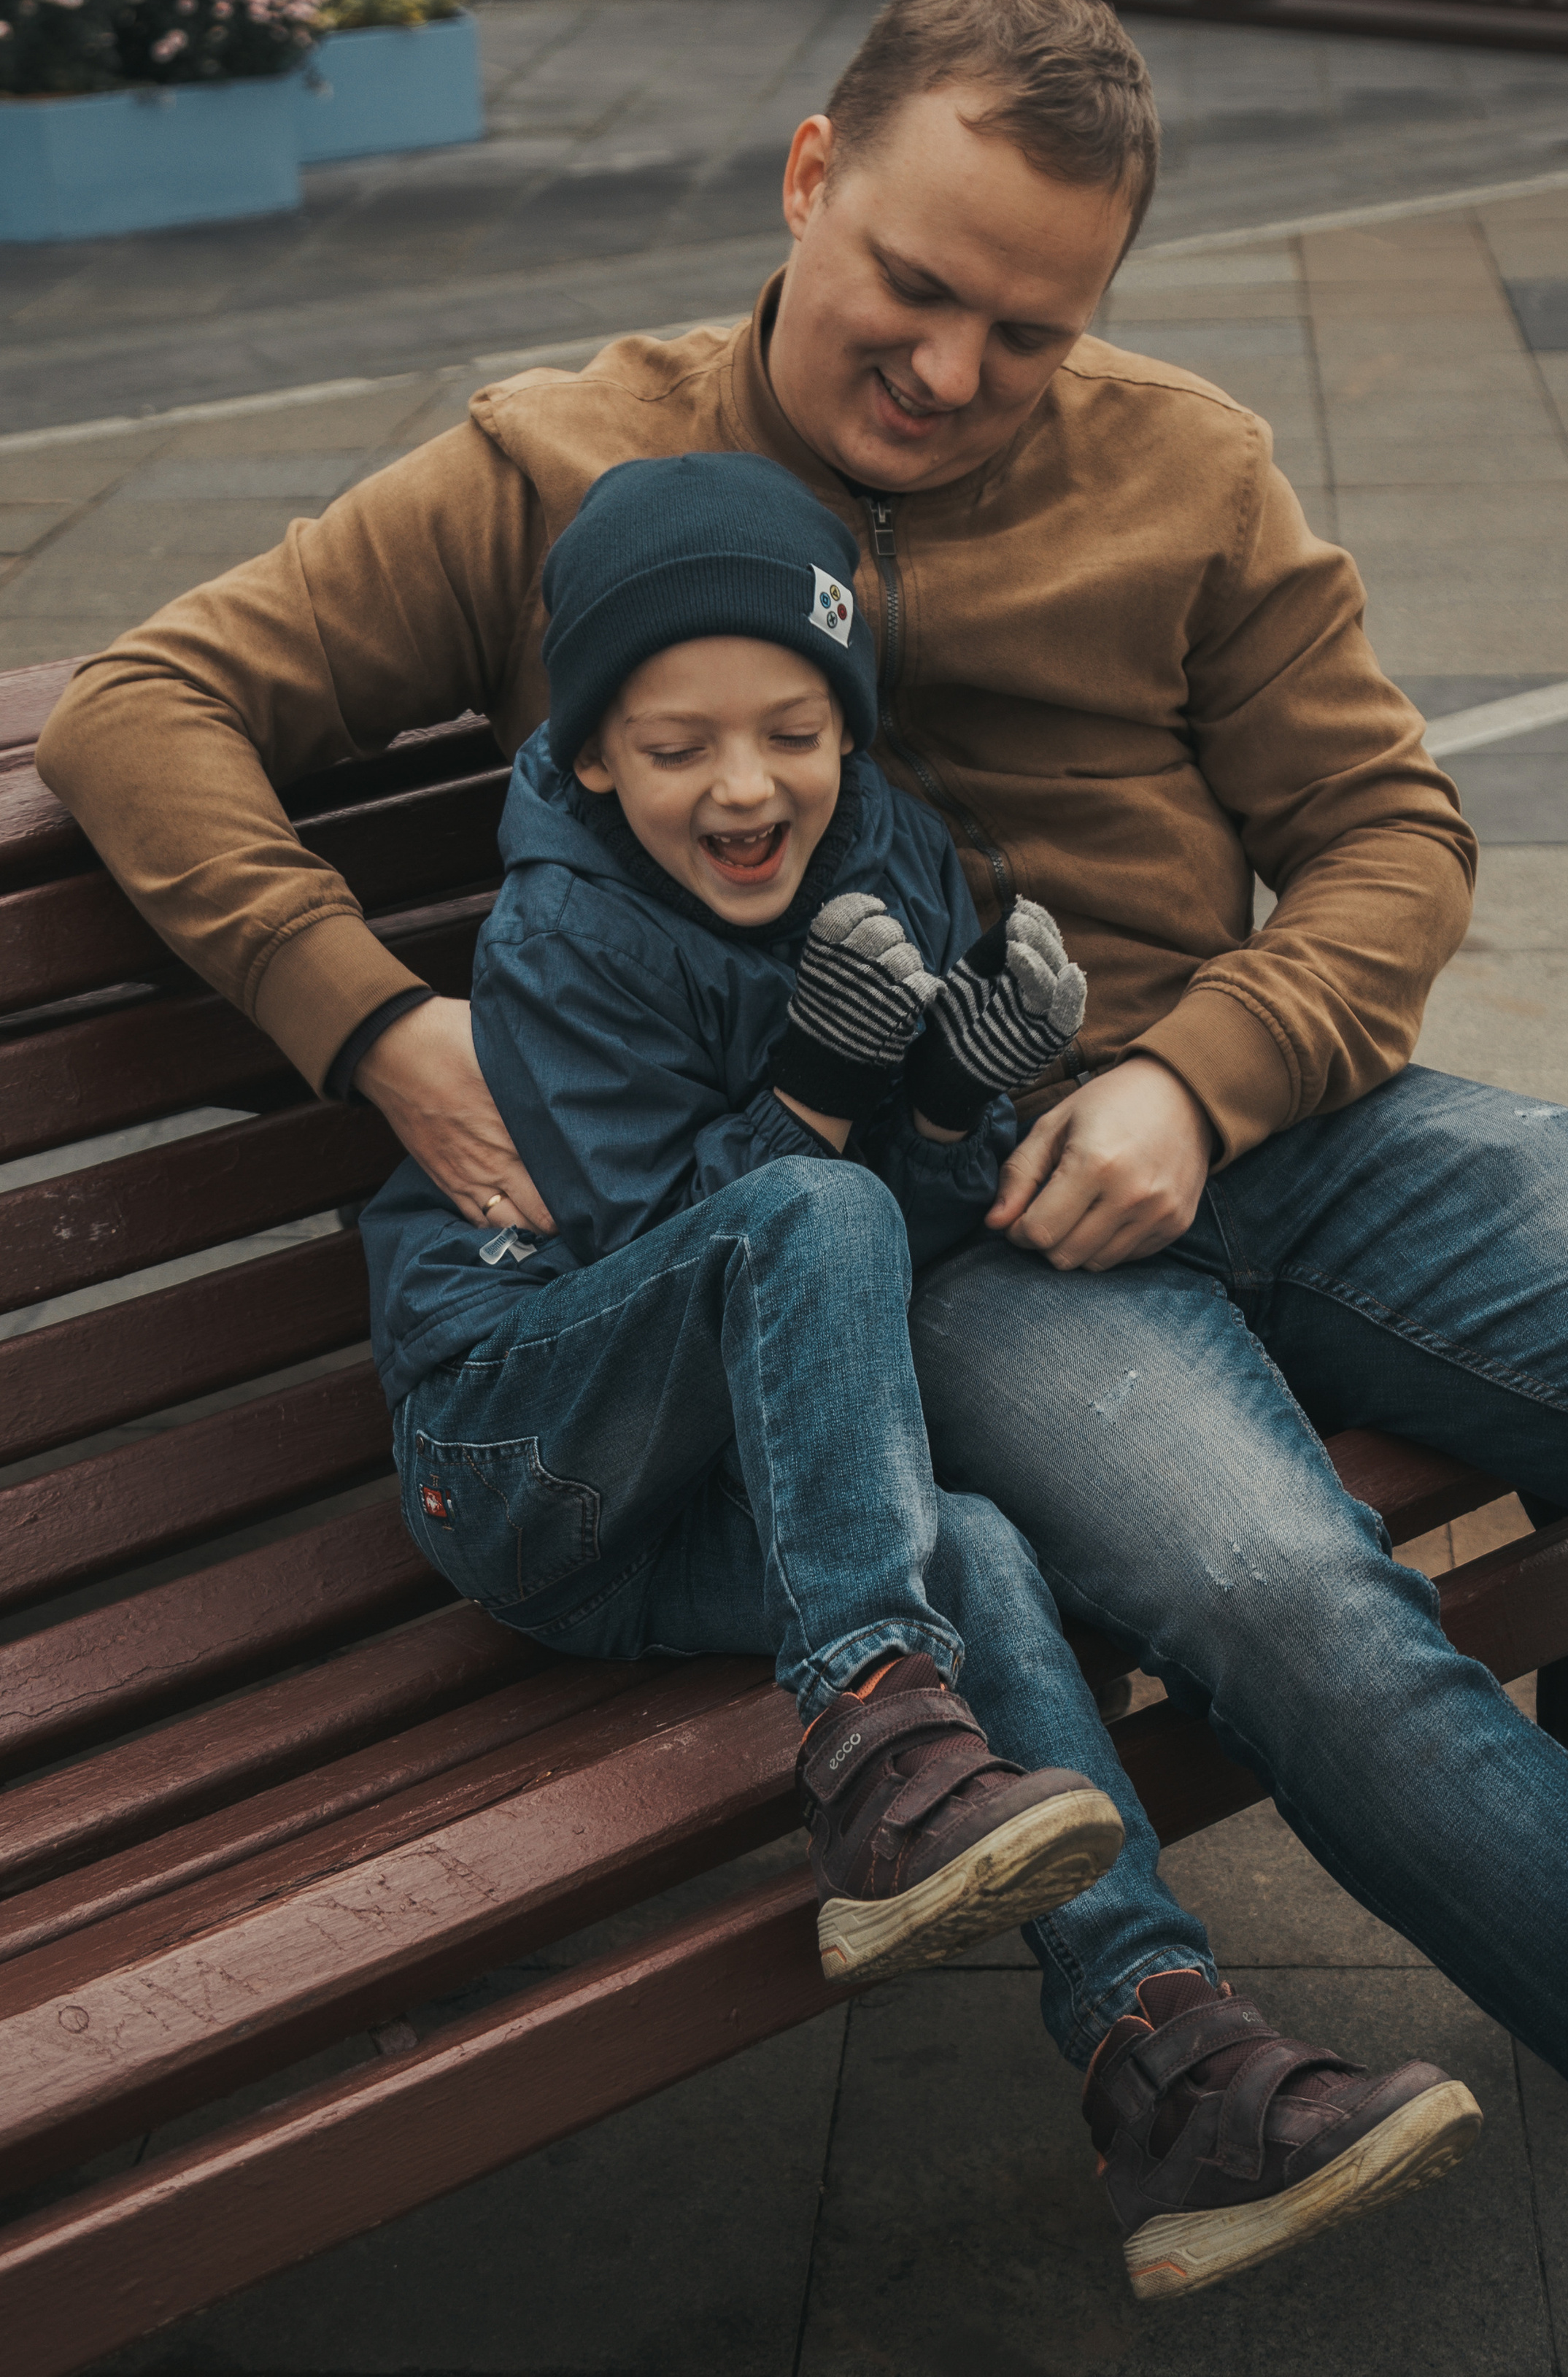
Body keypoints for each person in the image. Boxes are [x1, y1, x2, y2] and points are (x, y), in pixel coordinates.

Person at [34, 0, 1568, 2366]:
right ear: (809, 177)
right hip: (962, 1235)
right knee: (1295, 1604)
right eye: (913, 284)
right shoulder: (559, 467)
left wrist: (1201, 1076)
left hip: (1276, 1124)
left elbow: (1388, 833)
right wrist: (369, 1020)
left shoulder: (1185, 466)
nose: (953, 370)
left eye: (1031, 330)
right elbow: (143, 706)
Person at [361, 448, 1141, 1992]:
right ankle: (876, 1745)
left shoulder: (892, 854)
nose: (744, 786)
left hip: (710, 1498)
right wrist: (823, 1092)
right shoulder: (561, 936)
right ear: (596, 757)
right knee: (811, 1206)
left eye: (794, 733)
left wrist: (943, 1108)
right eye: (677, 747)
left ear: (846, 727)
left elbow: (860, 1279)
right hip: (514, 1458)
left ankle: (1160, 2031)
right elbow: (690, 1251)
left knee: (969, 1551)